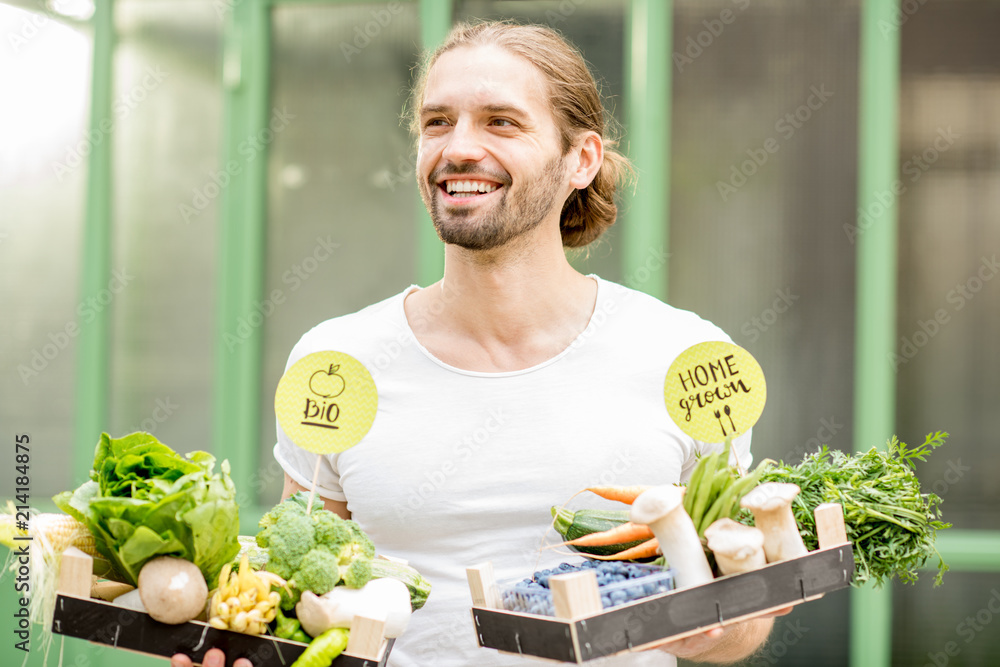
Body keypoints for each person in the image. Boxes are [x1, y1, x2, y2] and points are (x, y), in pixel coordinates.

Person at [172, 20, 787, 667]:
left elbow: (743, 618)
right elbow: (298, 592)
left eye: (501, 122)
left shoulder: (684, 357)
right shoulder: (337, 363)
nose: (459, 147)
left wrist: (706, 630)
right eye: (437, 122)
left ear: (582, 159)